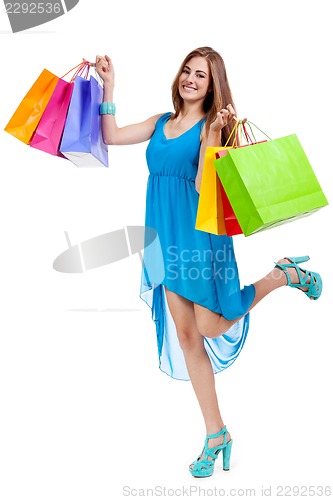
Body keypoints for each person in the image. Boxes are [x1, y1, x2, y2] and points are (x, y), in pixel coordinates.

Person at [95, 46, 322, 478]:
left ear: (213, 84)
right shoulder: (162, 122)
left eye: (201, 75)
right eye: (187, 70)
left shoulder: (211, 128)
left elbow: (203, 188)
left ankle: (282, 275)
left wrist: (214, 136)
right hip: (164, 236)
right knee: (186, 335)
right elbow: (110, 136)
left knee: (213, 324)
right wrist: (109, 85)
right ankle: (215, 433)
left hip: (200, 239)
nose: (191, 79)